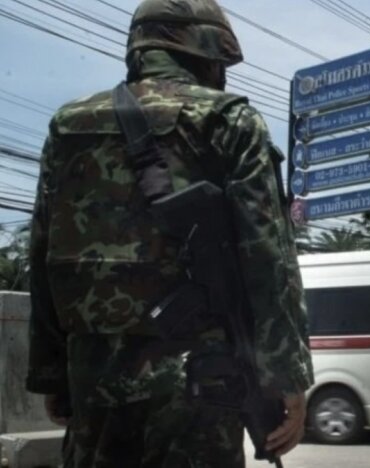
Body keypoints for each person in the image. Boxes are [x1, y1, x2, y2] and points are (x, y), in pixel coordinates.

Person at [25, 1, 314, 466]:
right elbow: (268, 260)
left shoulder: (67, 126)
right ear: (206, 49)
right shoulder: (229, 121)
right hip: (198, 387)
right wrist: (287, 375)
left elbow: (41, 257)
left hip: (93, 379)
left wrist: (51, 374)